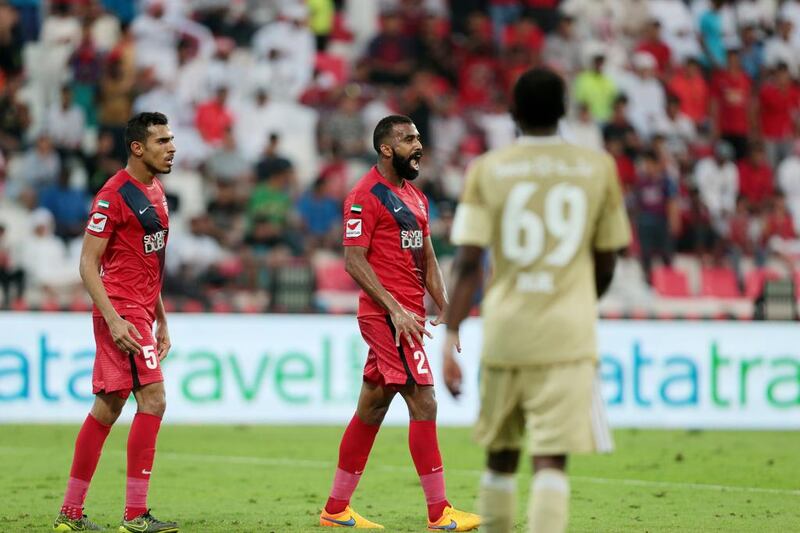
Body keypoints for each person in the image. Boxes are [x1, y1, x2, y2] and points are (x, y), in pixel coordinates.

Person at [442, 68, 632, 533]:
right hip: (567, 332)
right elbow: (608, 260)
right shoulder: (598, 167)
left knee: (501, 455)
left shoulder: (487, 168)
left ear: (512, 114)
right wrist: (581, 298)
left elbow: (467, 262)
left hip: (506, 329)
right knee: (550, 459)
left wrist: (449, 335)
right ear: (565, 111)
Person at [318, 115, 480, 531]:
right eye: (409, 139)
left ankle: (335, 509)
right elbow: (354, 261)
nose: (418, 145)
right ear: (386, 148)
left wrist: (447, 306)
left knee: (371, 407)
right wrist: (394, 308)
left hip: (409, 316)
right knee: (424, 400)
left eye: (419, 138)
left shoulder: (416, 199)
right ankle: (439, 512)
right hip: (387, 317)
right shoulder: (364, 195)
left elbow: (427, 259)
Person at [53, 112, 178, 533]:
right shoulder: (113, 195)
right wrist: (113, 318)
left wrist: (161, 318)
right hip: (120, 311)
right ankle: (135, 515)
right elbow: (88, 264)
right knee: (154, 400)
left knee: (108, 408)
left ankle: (70, 514)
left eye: (172, 138)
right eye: (161, 140)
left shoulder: (156, 190)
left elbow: (149, 263)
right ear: (137, 148)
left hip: (141, 311)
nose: (172, 147)